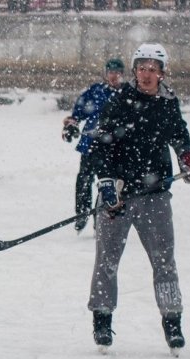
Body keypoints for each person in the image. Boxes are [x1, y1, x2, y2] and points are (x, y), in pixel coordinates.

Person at [88, 43, 190, 355]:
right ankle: (102, 319)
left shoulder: (168, 103)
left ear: (162, 72)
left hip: (155, 196)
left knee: (164, 262)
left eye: (152, 68)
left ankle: (172, 322)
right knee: (107, 261)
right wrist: (106, 182)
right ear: (134, 70)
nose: (146, 73)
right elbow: (101, 144)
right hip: (118, 195)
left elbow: (178, 134)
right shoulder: (120, 101)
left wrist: (188, 155)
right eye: (141, 67)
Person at [62, 58, 124, 233]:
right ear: (105, 73)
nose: (114, 76)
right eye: (111, 72)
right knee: (84, 179)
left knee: (108, 182)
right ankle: (81, 214)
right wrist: (71, 125)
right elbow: (78, 113)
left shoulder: (126, 94)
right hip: (90, 144)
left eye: (117, 72)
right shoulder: (95, 91)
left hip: (114, 146)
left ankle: (102, 217)